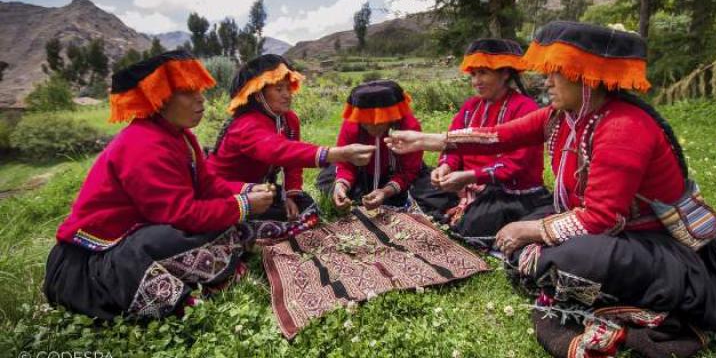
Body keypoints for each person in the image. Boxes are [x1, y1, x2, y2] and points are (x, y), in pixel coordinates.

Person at [384, 21, 716, 357]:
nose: (546, 80)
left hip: (649, 243)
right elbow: (499, 136)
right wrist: (429, 141)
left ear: (586, 76)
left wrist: (530, 230)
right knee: (531, 245)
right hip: (605, 232)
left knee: (555, 255)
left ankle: (625, 294)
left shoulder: (623, 126)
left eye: (556, 71)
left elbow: (601, 218)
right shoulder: (563, 115)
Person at [43, 50, 284, 320]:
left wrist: (244, 192)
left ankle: (216, 265)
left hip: (145, 229)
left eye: (199, 90)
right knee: (170, 237)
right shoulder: (142, 144)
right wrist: (242, 206)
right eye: (188, 93)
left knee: (233, 218)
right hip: (93, 260)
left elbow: (207, 185)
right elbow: (182, 215)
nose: (200, 99)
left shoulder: (182, 137)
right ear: (158, 100)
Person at [207, 54, 374, 224]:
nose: (287, 95)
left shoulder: (289, 120)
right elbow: (279, 151)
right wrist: (337, 154)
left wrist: (290, 195)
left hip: (259, 189)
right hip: (224, 189)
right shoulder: (246, 125)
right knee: (267, 217)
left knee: (305, 207)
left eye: (288, 88)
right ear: (258, 94)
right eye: (279, 89)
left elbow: (292, 163)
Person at [433, 38, 552, 249]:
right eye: (473, 74)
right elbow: (453, 145)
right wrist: (446, 166)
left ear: (505, 73)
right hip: (469, 186)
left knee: (472, 226)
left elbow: (516, 164)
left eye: (483, 73)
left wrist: (471, 176)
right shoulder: (470, 107)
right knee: (427, 191)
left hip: (509, 191)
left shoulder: (525, 109)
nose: (476, 81)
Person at [315, 80, 452, 214]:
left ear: (391, 117)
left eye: (378, 122)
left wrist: (385, 192)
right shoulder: (351, 125)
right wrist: (341, 186)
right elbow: (345, 164)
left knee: (433, 193)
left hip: (398, 173)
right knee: (330, 184)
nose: (372, 128)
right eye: (365, 123)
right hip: (361, 173)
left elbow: (408, 171)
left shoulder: (408, 126)